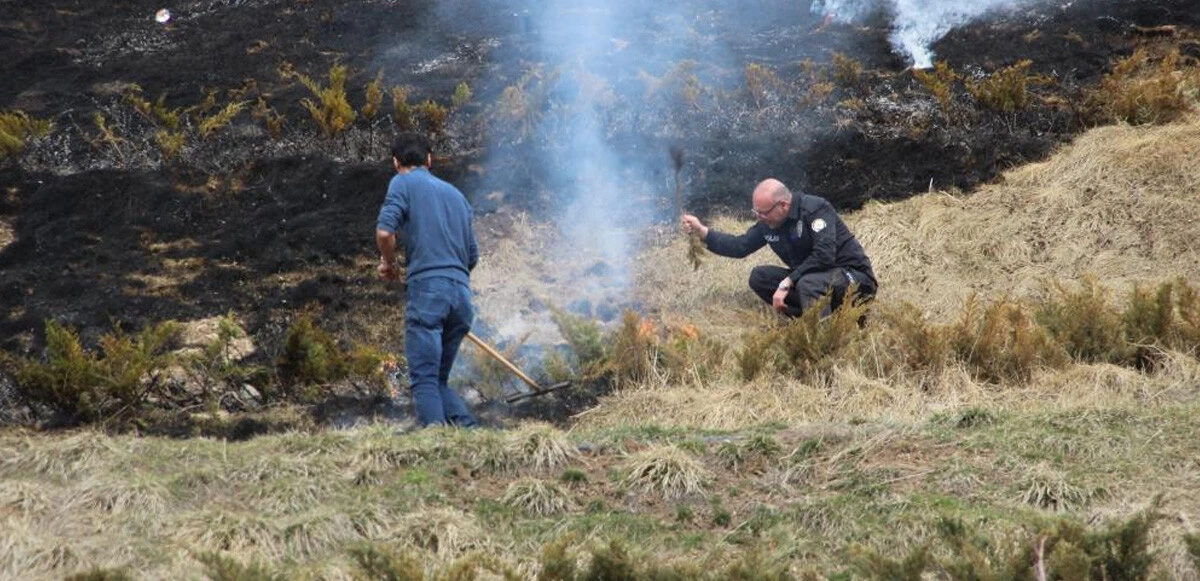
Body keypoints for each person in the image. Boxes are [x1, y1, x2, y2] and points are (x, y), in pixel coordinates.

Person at [376, 133, 479, 428]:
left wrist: (389, 264)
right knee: (438, 381)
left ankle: (435, 443)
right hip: (461, 296)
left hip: (429, 293)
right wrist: (450, 282)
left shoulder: (402, 183)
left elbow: (385, 233)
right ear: (430, 159)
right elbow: (472, 255)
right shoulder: (457, 196)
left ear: (396, 163)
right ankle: (468, 431)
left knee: (423, 379)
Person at [681, 178, 876, 318]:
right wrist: (702, 231)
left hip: (854, 279)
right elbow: (739, 246)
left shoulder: (814, 209)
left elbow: (824, 256)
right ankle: (810, 319)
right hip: (814, 281)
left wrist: (788, 281)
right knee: (760, 277)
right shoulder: (769, 223)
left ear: (782, 205)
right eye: (755, 212)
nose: (759, 218)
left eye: (763, 213)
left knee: (808, 283)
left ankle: (823, 340)